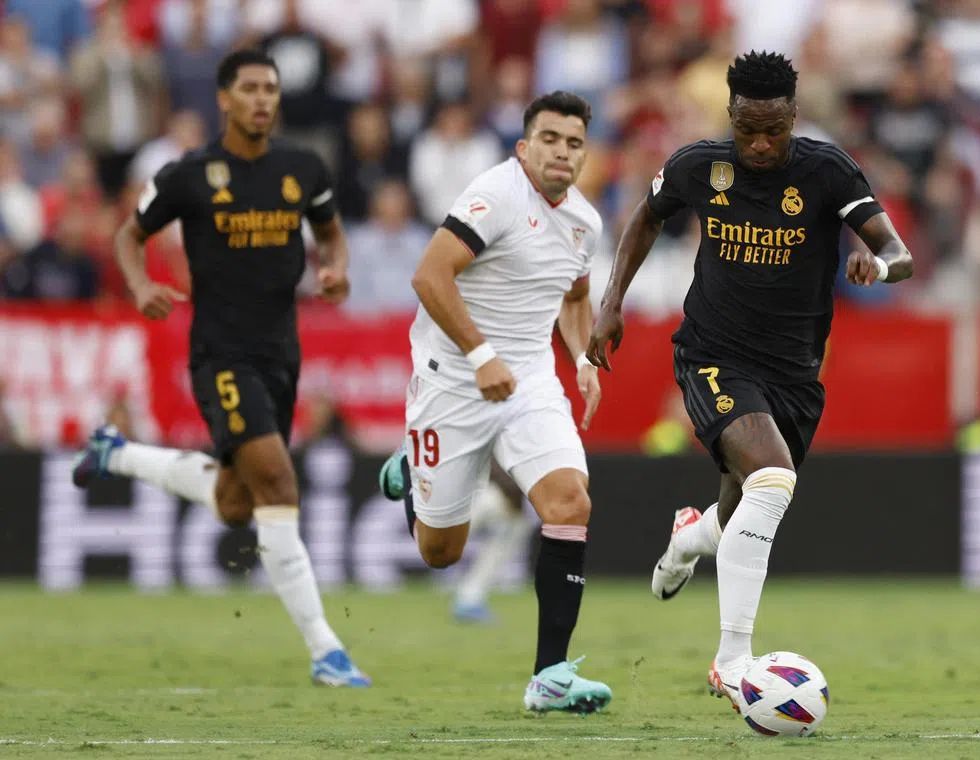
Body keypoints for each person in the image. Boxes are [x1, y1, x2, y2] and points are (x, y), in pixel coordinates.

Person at [586, 50, 913, 712]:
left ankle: (691, 537)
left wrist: (877, 269)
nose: (760, 144)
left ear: (793, 116)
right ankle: (733, 662)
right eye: (747, 130)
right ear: (730, 115)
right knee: (772, 479)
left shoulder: (827, 171)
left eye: (774, 130)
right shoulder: (698, 165)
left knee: (743, 511)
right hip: (713, 354)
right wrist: (611, 302)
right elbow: (647, 216)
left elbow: (897, 252)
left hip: (793, 373)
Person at [70, 48, 369, 688]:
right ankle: (326, 649)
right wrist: (139, 285)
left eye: (271, 89)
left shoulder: (303, 167)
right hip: (221, 354)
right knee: (279, 484)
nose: (262, 99)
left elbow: (331, 232)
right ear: (224, 99)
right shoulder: (189, 175)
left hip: (281, 353)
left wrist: (336, 268)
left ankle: (116, 453)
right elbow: (129, 235)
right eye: (250, 88)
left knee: (237, 503)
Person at [388, 90, 611, 713]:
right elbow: (430, 275)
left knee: (569, 502)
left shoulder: (585, 222)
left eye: (573, 143)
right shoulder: (496, 194)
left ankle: (550, 676)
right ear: (524, 146)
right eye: (549, 139)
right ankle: (410, 467)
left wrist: (583, 359)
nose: (561, 152)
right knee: (440, 553)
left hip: (530, 380)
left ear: (584, 154)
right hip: (454, 379)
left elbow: (574, 297)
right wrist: (481, 355)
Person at [379, 454, 532, 624]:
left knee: (515, 527)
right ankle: (407, 461)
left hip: (493, 492)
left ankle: (469, 598)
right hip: (474, 486)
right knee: (446, 533)